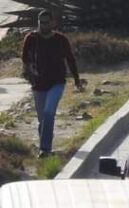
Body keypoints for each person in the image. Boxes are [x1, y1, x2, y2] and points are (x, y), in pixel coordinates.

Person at [21, 10, 85, 156]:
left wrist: (77, 80)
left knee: (49, 113)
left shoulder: (60, 39)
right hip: (38, 83)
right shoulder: (31, 38)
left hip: (57, 82)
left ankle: (45, 148)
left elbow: (70, 59)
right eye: (41, 23)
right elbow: (24, 57)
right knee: (42, 119)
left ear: (52, 23)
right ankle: (45, 145)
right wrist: (30, 68)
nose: (43, 26)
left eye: (46, 22)